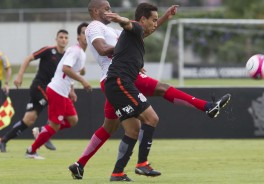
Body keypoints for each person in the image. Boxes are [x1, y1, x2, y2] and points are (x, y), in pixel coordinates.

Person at [68, 0, 231, 181]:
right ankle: (207, 107)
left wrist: (163, 19)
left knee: (118, 127)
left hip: (118, 78)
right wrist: (127, 53)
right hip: (119, 76)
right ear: (95, 10)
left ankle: (86, 166)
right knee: (162, 91)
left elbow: (139, 33)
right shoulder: (94, 27)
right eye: (106, 8)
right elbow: (103, 49)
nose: (109, 11)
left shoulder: (112, 31)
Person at [25, 22, 92, 159]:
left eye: (89, 33)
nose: (87, 35)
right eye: (84, 33)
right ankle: (31, 150)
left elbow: (70, 70)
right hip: (57, 91)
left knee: (73, 120)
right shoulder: (75, 50)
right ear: (78, 36)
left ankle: (43, 131)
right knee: (54, 126)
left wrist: (72, 89)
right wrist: (83, 81)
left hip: (64, 92)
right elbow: (65, 68)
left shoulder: (81, 53)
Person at [0, 29, 69, 152]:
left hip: (50, 89)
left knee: (28, 120)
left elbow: (69, 73)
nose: (63, 39)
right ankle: (44, 132)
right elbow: (28, 58)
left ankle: (3, 140)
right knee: (54, 103)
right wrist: (20, 75)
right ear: (56, 39)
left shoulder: (66, 56)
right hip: (38, 87)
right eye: (61, 37)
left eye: (65, 38)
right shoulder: (48, 51)